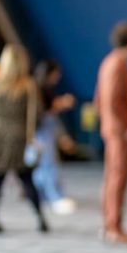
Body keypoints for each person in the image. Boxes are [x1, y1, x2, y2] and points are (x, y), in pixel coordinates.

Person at [0, 44, 48, 233]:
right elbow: (37, 115)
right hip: (19, 139)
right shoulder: (28, 87)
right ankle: (40, 218)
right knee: (27, 179)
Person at [95, 21, 127, 243]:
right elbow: (113, 100)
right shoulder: (118, 64)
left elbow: (99, 99)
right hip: (119, 131)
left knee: (112, 176)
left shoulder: (108, 62)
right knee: (118, 178)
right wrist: (126, 128)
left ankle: (110, 224)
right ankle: (113, 226)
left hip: (111, 128)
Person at [31, 59, 77, 215]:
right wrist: (62, 104)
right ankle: (54, 197)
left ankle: (44, 194)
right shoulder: (39, 88)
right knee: (47, 164)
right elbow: (45, 109)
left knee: (44, 165)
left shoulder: (39, 86)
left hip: (44, 130)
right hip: (42, 130)